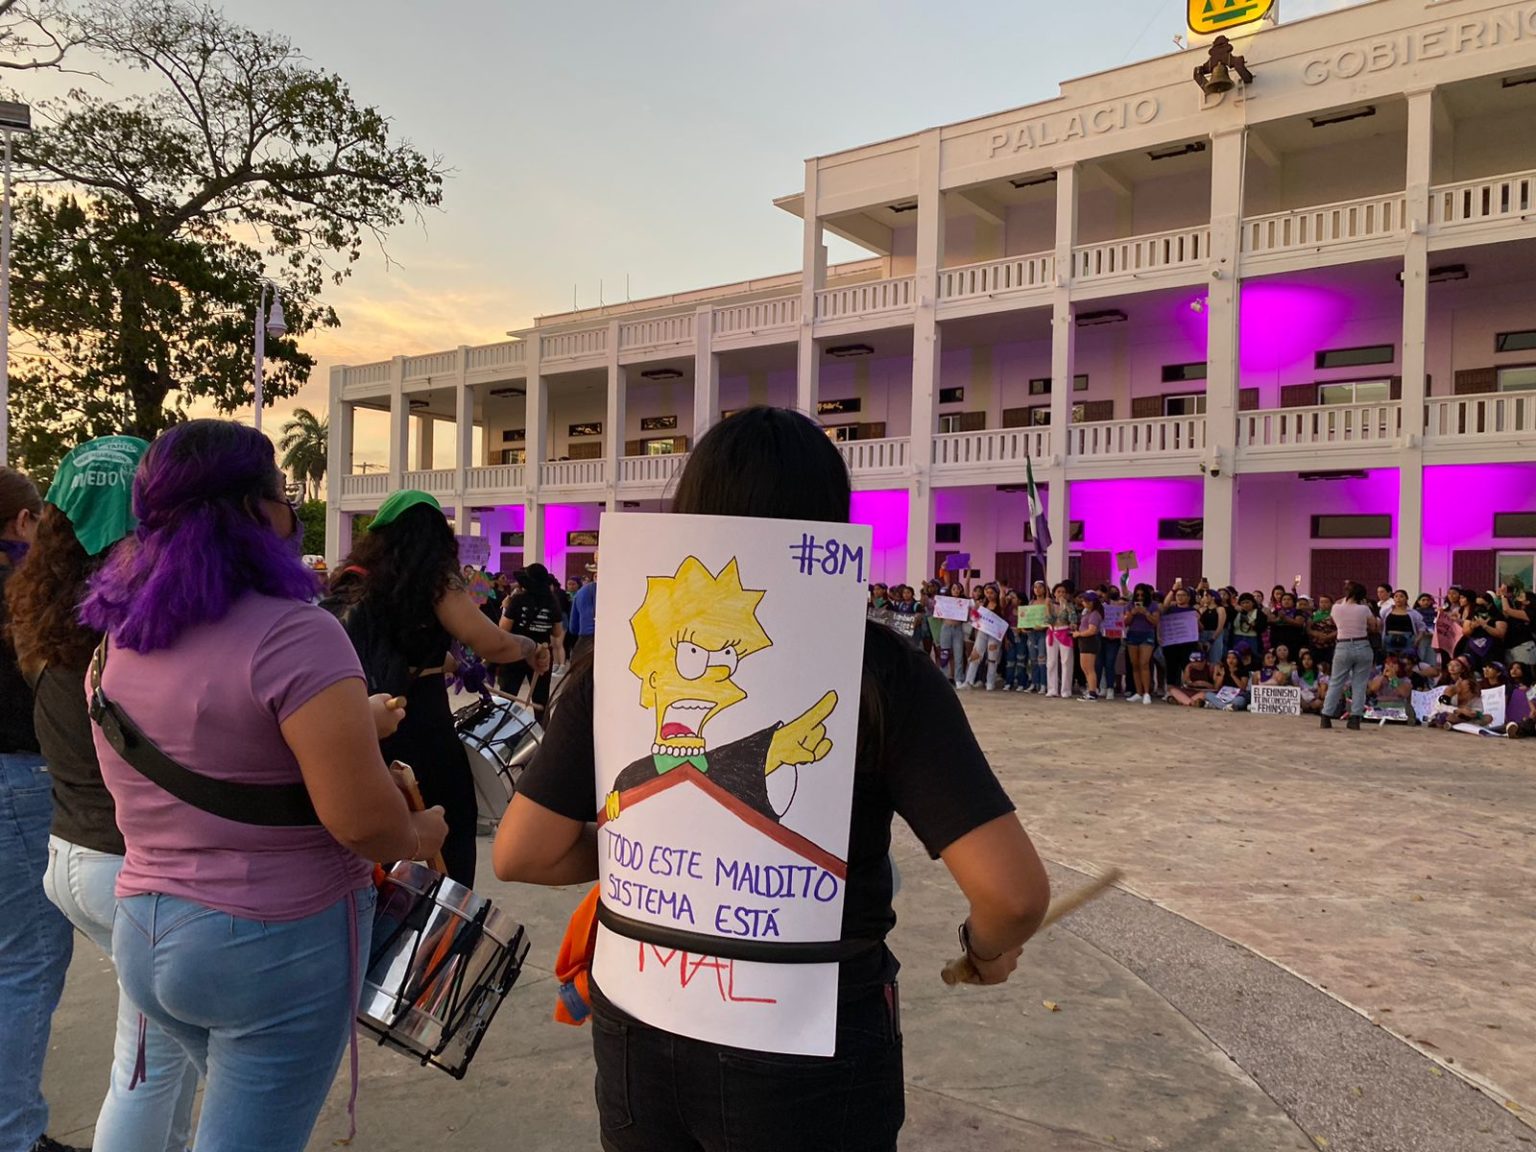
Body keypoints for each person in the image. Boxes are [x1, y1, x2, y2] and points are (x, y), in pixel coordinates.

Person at [492, 406, 1051, 1152]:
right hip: (806, 1041)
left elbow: (521, 851)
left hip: (640, 1025)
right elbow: (1012, 896)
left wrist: (661, 846)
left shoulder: (610, 670)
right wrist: (986, 950)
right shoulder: (883, 673)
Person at [78, 420, 449, 1152]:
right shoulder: (294, 633)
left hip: (146, 931)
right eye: (283, 493)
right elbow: (364, 823)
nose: (291, 511)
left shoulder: (118, 639)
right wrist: (420, 832)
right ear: (254, 510)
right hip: (274, 943)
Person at [6, 437, 200, 1152]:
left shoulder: (41, 604)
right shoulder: (138, 619)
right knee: (149, 1064)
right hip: (126, 860)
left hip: (74, 847)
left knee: (157, 1055)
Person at [331, 489, 538, 887]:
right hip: (422, 727)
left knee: (383, 832)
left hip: (367, 722)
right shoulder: (435, 580)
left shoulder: (356, 580)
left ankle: (383, 907)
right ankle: (448, 914)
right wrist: (531, 647)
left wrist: (452, 662)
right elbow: (494, 644)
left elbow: (399, 654)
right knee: (451, 825)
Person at [1, 466, 85, 1152]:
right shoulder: (23, 590)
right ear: (25, 521)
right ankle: (15, 1134)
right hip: (17, 780)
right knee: (26, 965)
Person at [500, 563, 564, 694]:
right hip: (542, 653)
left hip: (516, 651)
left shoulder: (517, 600)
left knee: (507, 695)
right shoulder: (552, 602)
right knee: (540, 696)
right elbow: (557, 632)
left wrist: (505, 608)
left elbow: (504, 628)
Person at [1320, 581, 1375, 730]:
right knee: (1360, 684)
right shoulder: (1364, 609)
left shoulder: (1336, 607)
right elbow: (1373, 626)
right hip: (1362, 644)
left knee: (1336, 682)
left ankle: (1326, 716)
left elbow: (1334, 621)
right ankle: (1355, 718)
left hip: (1343, 645)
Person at [1122, 583, 1160, 704]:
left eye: (1142, 595)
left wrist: (1146, 613)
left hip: (1147, 635)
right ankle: (1138, 692)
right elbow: (1125, 622)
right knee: (1135, 664)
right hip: (1132, 634)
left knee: (1144, 663)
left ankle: (1146, 692)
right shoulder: (1129, 605)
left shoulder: (1153, 605)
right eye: (1137, 595)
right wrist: (1132, 613)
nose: (1139, 597)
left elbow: (1155, 622)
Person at [1045, 582, 1078, 699]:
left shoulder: (1070, 605)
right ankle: (1052, 689)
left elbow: (1073, 619)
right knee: (1051, 662)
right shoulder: (1050, 605)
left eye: (1063, 592)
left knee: (1066, 662)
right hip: (1052, 632)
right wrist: (1048, 608)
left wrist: (1066, 607)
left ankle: (1066, 690)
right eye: (1058, 592)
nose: (1061, 594)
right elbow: (1049, 620)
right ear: (1054, 593)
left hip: (1065, 632)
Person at [1379, 589, 1425, 659]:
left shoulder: (1413, 613)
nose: (1398, 598)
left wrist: (1417, 640)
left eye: (1401, 596)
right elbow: (1381, 622)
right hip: (1389, 638)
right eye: (1396, 596)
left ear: (1406, 599)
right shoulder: (1387, 611)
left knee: (1406, 660)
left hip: (1408, 639)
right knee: (1391, 661)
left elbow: (1422, 628)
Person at [1074, 590, 1103, 701]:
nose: (1084, 602)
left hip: (1089, 641)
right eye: (1084, 600)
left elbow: (1092, 630)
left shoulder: (1095, 614)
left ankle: (1092, 692)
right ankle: (1090, 689)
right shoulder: (1088, 613)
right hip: (1084, 641)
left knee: (1089, 668)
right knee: (1085, 668)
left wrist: (1079, 634)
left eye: (1087, 600)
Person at [569, 557, 598, 661]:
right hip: (606, 640)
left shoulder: (581, 592)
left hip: (585, 640)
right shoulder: (613, 591)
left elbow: (573, 626)